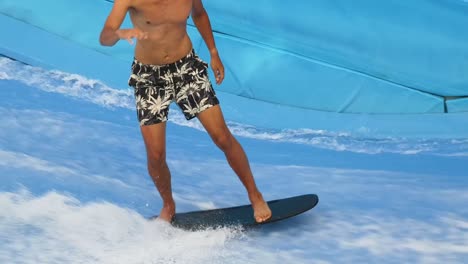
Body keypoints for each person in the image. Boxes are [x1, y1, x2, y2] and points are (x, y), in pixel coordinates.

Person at [99, 0, 272, 223]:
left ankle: (255, 195)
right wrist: (119, 33)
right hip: (150, 79)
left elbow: (199, 14)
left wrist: (213, 52)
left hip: (187, 69)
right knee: (155, 154)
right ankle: (168, 204)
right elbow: (104, 37)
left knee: (222, 137)